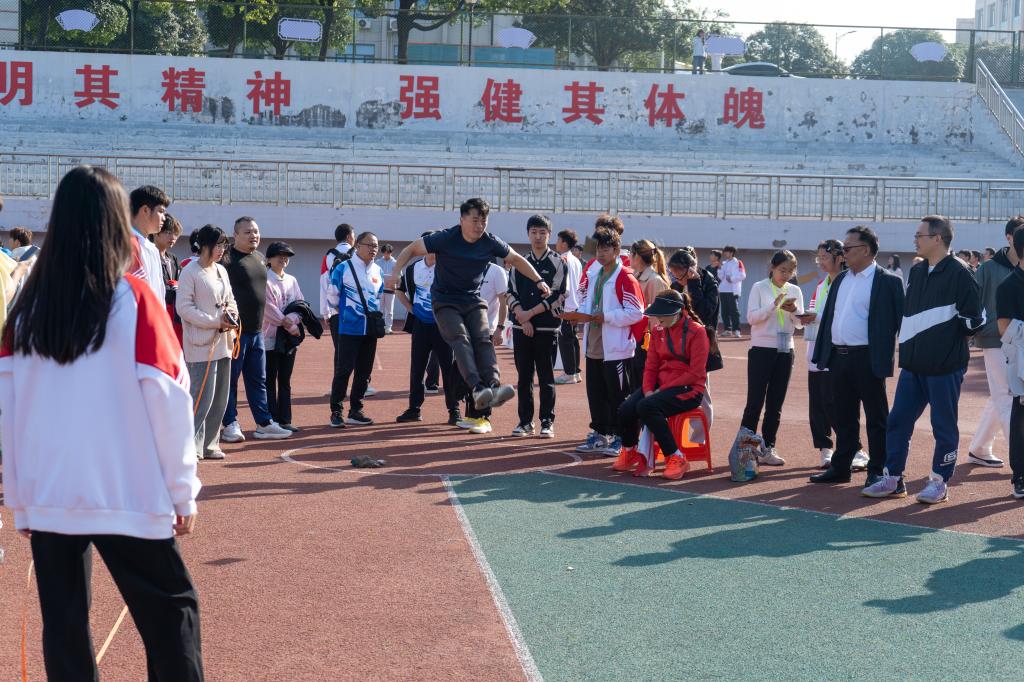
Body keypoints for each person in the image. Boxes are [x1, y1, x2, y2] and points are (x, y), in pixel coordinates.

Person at [1, 166, 203, 681]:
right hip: (127, 489)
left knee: (65, 626)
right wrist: (182, 491)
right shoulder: (134, 299)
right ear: (116, 222)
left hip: (51, 492)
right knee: (171, 614)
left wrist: (21, 497)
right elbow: (168, 399)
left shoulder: (26, 309)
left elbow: (10, 411)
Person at [386, 198, 551, 416]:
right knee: (461, 339)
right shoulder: (445, 238)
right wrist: (396, 272)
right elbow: (411, 249)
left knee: (483, 340)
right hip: (445, 301)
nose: (479, 226)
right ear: (462, 219)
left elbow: (517, 259)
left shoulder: (490, 241)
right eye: (475, 220)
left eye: (484, 221)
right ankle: (477, 388)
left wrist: (539, 280)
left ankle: (493, 387)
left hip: (473, 300)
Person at [863, 216, 984, 504]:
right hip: (914, 364)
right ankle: (893, 478)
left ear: (937, 238)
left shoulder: (961, 272)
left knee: (943, 425)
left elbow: (974, 321)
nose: (915, 240)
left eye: (920, 235)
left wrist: (945, 345)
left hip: (945, 366)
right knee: (898, 421)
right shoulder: (917, 271)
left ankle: (940, 482)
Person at [807, 229, 904, 485]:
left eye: (847, 248)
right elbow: (831, 317)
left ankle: (877, 469)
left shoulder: (888, 282)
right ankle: (841, 467)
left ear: (866, 250)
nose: (843, 253)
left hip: (868, 358)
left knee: (876, 418)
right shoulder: (840, 279)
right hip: (839, 356)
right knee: (843, 416)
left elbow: (900, 323)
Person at [613, 289, 710, 479]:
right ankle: (630, 450)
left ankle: (676, 457)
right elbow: (651, 366)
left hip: (690, 389)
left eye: (662, 314)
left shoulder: (697, 331)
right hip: (660, 386)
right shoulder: (658, 331)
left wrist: (660, 391)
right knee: (625, 409)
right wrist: (649, 390)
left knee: (646, 406)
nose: (658, 318)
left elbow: (696, 373)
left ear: (677, 312)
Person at [563, 228, 644, 456]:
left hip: (616, 347)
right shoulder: (594, 274)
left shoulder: (625, 277)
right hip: (594, 343)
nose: (600, 253)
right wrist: (577, 315)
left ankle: (623, 438)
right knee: (596, 393)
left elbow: (636, 312)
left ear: (617, 251)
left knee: (618, 395)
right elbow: (585, 302)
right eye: (598, 248)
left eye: (606, 249)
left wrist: (607, 316)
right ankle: (599, 434)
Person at [220, 217, 292, 442]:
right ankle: (229, 423)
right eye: (248, 232)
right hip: (235, 332)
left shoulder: (261, 258)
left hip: (257, 331)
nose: (254, 235)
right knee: (230, 380)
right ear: (235, 235)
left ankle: (264, 423)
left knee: (258, 380)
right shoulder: (226, 259)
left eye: (256, 231)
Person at [178, 224, 239, 461]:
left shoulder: (221, 270)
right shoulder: (190, 271)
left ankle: (210, 444)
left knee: (220, 397)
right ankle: (189, 445)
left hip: (224, 341)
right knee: (201, 396)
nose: (222, 249)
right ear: (205, 245)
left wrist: (231, 315)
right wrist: (214, 321)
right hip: (201, 343)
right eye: (218, 245)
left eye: (224, 245)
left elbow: (230, 299)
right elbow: (184, 308)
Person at [966, 216, 1024, 467]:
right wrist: (974, 331)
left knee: (999, 395)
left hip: (1020, 341)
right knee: (1007, 396)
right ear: (1009, 238)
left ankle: (979, 448)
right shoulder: (989, 268)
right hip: (995, 339)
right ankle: (1020, 462)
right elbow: (973, 300)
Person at [741, 250, 805, 467]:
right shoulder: (759, 287)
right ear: (772, 268)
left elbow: (799, 324)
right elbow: (752, 318)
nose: (786, 275)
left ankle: (768, 447)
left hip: (786, 350)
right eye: (782, 270)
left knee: (775, 404)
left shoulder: (795, 290)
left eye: (790, 271)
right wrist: (773, 305)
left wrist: (794, 309)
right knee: (755, 402)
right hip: (761, 349)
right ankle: (746, 449)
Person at [507, 215, 568, 438]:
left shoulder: (558, 263)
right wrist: (522, 319)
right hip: (521, 329)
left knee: (546, 377)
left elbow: (557, 295)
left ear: (549, 235)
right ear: (528, 234)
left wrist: (529, 314)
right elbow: (510, 293)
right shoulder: (519, 262)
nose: (538, 237)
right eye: (534, 232)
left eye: (543, 232)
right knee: (524, 377)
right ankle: (525, 421)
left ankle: (547, 421)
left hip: (546, 329)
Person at [395, 232, 462, 425]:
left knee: (448, 368)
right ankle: (414, 408)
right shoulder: (413, 269)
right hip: (421, 326)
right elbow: (399, 290)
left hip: (444, 327)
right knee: (417, 368)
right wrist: (411, 309)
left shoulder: (448, 268)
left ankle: (454, 410)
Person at [329, 231, 384, 426]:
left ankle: (356, 410)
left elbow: (378, 297)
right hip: (349, 328)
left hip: (370, 329)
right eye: (370, 245)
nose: (373, 249)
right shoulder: (343, 267)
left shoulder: (378, 270)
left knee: (364, 372)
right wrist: (348, 314)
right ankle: (336, 411)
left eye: (376, 245)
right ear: (358, 246)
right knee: (343, 371)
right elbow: (332, 297)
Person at [452, 259, 509, 434]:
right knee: (468, 372)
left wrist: (500, 327)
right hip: (464, 329)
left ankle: (484, 418)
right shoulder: (465, 267)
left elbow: (503, 301)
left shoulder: (497, 271)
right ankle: (471, 415)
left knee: (484, 372)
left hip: (485, 329)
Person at [263, 241, 304, 432]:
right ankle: (271, 419)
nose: (283, 258)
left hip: (288, 338)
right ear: (269, 258)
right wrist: (289, 323)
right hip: (270, 336)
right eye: (279, 255)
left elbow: (300, 304)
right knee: (270, 379)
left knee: (285, 379)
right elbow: (267, 308)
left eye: (286, 255)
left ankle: (285, 419)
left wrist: (293, 319)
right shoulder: (264, 279)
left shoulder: (292, 280)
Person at [996, 225, 1024, 499]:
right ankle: (1021, 475)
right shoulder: (1009, 285)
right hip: (1021, 359)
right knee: (1021, 417)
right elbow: (1003, 328)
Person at [629, 239, 670, 386]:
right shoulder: (636, 276)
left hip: (647, 341)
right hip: (635, 337)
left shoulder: (654, 280)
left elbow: (658, 317)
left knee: (645, 383)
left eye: (631, 253)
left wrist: (655, 345)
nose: (628, 256)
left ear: (638, 257)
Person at [129, 185, 170, 301]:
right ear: (145, 210)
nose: (164, 218)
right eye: (161, 211)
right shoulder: (127, 245)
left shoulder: (152, 248)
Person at [555, 228, 583, 385]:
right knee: (573, 340)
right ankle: (575, 372)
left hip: (566, 306)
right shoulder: (576, 260)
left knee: (565, 340)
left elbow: (562, 285)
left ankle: (569, 373)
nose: (556, 243)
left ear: (564, 243)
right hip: (576, 305)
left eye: (558, 240)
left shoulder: (562, 259)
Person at [153, 213, 184, 343]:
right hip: (158, 308)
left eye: (175, 234)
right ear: (156, 233)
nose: (173, 237)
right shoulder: (150, 256)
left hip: (174, 310)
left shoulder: (173, 258)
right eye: (168, 232)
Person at [718, 245, 746, 337]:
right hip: (723, 290)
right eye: (724, 251)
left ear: (731, 253)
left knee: (734, 311)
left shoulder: (738, 262)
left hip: (733, 290)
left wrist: (732, 278)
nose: (725, 253)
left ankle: (736, 330)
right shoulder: (724, 263)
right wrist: (720, 269)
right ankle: (727, 329)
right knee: (724, 311)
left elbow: (743, 275)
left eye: (726, 251)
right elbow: (720, 277)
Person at [376, 243, 398, 334]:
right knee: (379, 309)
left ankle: (388, 328)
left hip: (391, 290)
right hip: (380, 290)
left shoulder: (395, 263)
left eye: (388, 253)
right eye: (384, 253)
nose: (386, 255)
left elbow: (399, 275)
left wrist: (395, 283)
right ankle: (379, 326)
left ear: (391, 253)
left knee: (389, 310)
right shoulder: (377, 262)